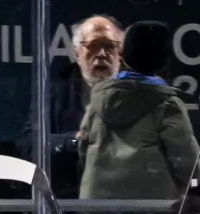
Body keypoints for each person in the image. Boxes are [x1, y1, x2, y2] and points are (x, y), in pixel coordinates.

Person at [79, 20, 200, 214]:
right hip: (152, 209)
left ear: (126, 54)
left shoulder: (99, 99)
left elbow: (84, 147)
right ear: (162, 58)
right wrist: (191, 181)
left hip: (107, 209)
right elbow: (187, 159)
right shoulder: (165, 103)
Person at [18, 15, 122, 196]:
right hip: (69, 205)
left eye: (109, 46)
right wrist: (74, 140)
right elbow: (28, 145)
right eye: (94, 46)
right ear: (77, 54)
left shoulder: (138, 93)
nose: (102, 54)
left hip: (122, 206)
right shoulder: (54, 92)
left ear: (119, 53)